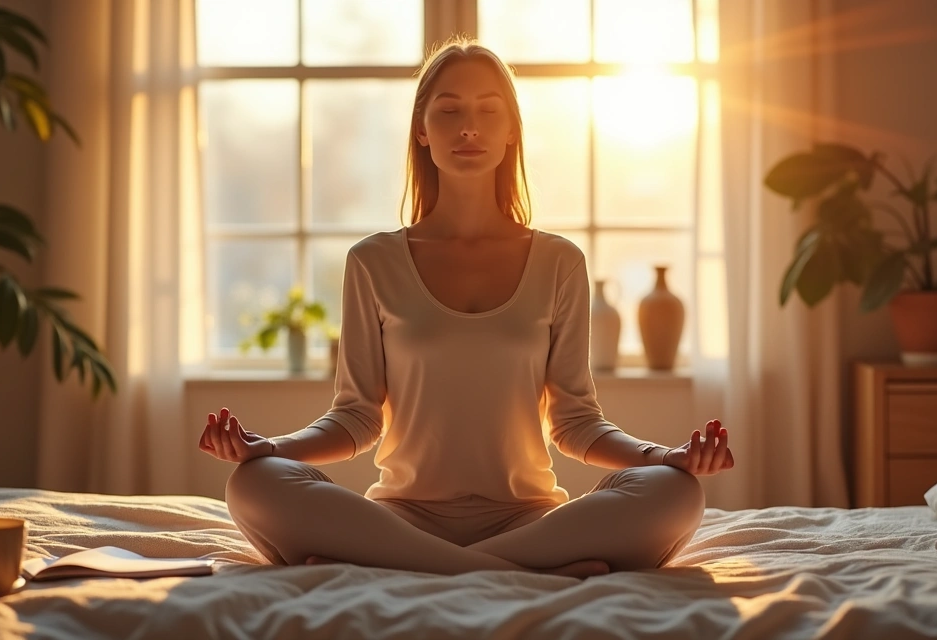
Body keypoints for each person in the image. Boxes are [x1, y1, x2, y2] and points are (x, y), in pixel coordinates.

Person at [198, 36, 735, 579]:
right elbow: (356, 418)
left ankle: (400, 566)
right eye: (449, 111)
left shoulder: (559, 262)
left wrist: (662, 457)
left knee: (675, 492)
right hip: (402, 519)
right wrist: (271, 448)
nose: (469, 128)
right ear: (422, 130)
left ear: (511, 131)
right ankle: (523, 571)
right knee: (254, 482)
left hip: (529, 520)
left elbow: (575, 423)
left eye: (488, 111)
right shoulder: (372, 261)